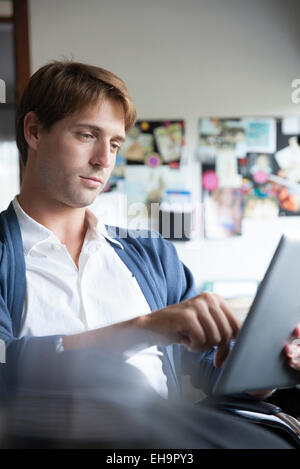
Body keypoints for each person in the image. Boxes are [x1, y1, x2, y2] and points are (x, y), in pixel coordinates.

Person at [0, 61, 296, 448]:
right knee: (119, 388)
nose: (104, 159)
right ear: (34, 131)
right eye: (87, 135)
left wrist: (267, 366)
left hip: (162, 443)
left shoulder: (152, 255)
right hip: (55, 438)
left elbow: (217, 370)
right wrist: (142, 329)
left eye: (115, 143)